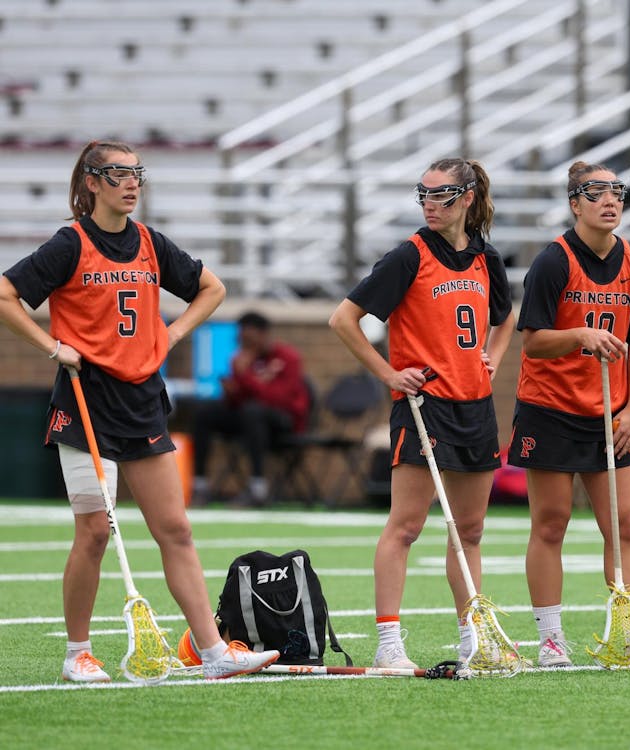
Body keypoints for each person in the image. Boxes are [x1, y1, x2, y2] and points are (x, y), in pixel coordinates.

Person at [0, 140, 279, 681]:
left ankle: (214, 651)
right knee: (94, 533)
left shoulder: (150, 243)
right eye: (120, 175)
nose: (132, 184)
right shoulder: (69, 244)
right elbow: (6, 294)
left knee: (175, 529)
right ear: (92, 182)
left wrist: (172, 332)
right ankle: (77, 653)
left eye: (138, 174)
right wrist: (51, 347)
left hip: (142, 401)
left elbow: (211, 288)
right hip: (85, 405)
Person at [330, 158, 514, 670]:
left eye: (442, 195)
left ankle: (470, 636)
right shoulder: (408, 256)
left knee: (470, 531)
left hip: (474, 407)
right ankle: (390, 642)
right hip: (423, 406)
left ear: (468, 198)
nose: (431, 204)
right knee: (405, 527)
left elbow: (505, 318)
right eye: (424, 195)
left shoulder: (485, 257)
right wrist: (389, 374)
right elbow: (344, 318)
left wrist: (491, 360)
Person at [508, 160, 630, 670]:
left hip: (611, 412)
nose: (610, 201)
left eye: (618, 192)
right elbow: (534, 343)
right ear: (575, 204)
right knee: (551, 524)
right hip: (551, 409)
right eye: (597, 193)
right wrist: (580, 336)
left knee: (625, 525)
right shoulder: (553, 261)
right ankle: (550, 640)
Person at [191, 310, 310, 506]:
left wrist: (245, 377)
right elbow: (240, 402)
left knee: (253, 412)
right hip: (251, 421)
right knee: (205, 412)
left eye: (250, 339)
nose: (245, 345)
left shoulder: (288, 358)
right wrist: (232, 391)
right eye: (242, 340)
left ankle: (258, 486)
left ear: (263, 335)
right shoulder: (241, 359)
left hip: (284, 422)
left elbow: (279, 399)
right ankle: (200, 484)